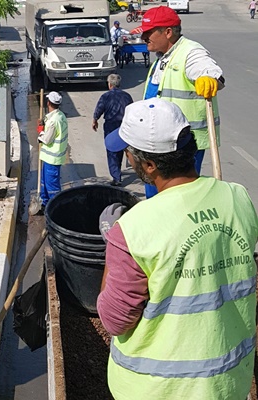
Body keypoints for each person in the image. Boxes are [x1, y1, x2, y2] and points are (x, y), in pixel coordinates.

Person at [97, 98, 258, 399]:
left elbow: (114, 321)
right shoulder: (239, 198)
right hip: (228, 382)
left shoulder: (133, 230)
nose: (127, 158)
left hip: (158, 388)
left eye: (129, 153)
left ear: (148, 165)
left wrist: (114, 246)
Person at [140, 6, 224, 198]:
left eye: (149, 33)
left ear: (168, 32)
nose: (145, 38)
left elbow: (209, 70)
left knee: (178, 198)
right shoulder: (162, 59)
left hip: (182, 147)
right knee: (156, 197)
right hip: (158, 143)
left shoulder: (190, 51)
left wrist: (208, 78)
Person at [92, 74, 134, 186]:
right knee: (120, 148)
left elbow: (99, 109)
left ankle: (116, 177)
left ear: (110, 84)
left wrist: (95, 120)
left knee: (112, 150)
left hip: (111, 125)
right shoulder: (127, 96)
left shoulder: (105, 96)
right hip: (124, 125)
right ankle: (118, 171)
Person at [37, 91, 68, 215]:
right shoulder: (60, 115)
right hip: (49, 158)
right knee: (44, 183)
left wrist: (40, 131)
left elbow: (46, 139)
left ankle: (57, 211)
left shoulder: (54, 121)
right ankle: (45, 204)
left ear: (48, 102)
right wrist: (43, 124)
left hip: (52, 159)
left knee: (52, 188)